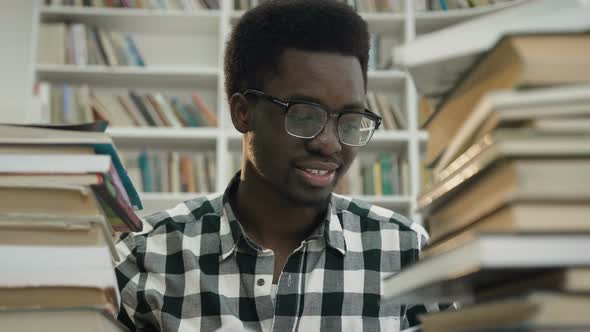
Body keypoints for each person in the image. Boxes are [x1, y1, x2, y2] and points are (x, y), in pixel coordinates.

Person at [115, 1, 435, 331]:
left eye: (349, 120)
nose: (329, 143)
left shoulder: (408, 253)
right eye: (303, 114)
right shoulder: (145, 256)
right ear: (243, 112)